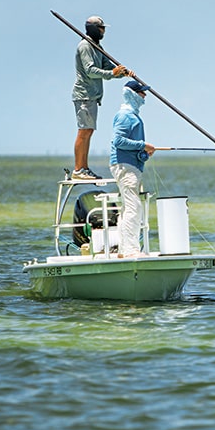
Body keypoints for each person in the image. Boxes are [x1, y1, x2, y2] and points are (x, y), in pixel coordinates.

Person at [72, 15, 130, 180]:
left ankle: (84, 168)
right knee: (84, 131)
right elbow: (90, 70)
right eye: (101, 28)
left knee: (88, 131)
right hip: (83, 95)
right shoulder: (85, 46)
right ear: (93, 29)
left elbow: (108, 68)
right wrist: (112, 73)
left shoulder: (97, 46)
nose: (103, 31)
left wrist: (121, 72)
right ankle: (78, 169)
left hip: (92, 96)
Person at [110, 79, 156, 258]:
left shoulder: (134, 116)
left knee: (128, 207)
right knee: (133, 207)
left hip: (131, 165)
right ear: (132, 94)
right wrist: (143, 145)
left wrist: (144, 153)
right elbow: (118, 141)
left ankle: (124, 249)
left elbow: (132, 147)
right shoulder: (124, 115)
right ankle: (130, 250)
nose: (144, 96)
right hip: (125, 166)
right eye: (141, 92)